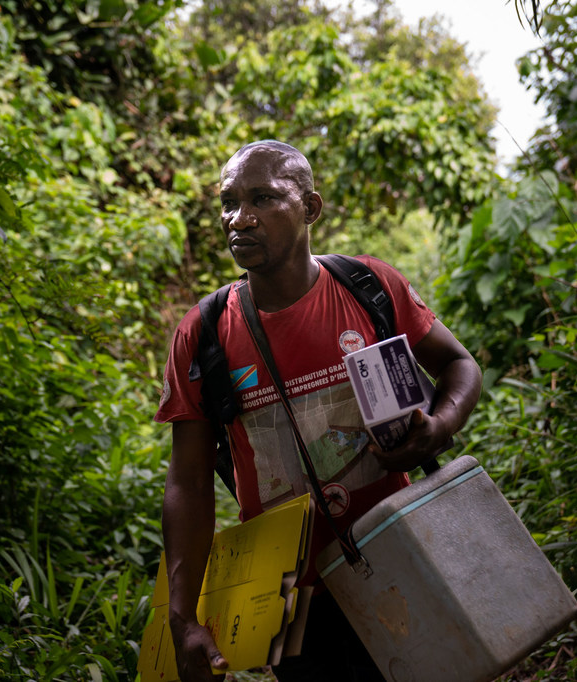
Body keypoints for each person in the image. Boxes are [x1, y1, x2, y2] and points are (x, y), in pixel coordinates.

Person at [155, 140, 482, 682]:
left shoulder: (370, 286)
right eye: (229, 201)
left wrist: (440, 426)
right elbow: (188, 480)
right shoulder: (204, 332)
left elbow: (458, 364)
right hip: (286, 593)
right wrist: (181, 614)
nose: (240, 217)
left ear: (310, 208)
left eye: (262, 197)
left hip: (400, 556)